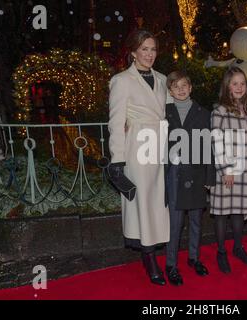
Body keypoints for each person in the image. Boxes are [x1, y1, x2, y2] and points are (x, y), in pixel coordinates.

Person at [108, 29, 169, 285]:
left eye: (153, 49)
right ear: (133, 52)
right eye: (144, 49)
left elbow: (173, 110)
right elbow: (115, 121)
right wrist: (118, 159)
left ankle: (155, 247)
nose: (149, 54)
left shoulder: (164, 79)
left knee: (159, 201)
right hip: (138, 147)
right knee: (143, 201)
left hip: (161, 146)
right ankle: (149, 256)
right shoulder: (121, 80)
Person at [164, 70, 216, 286]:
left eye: (184, 85)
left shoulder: (203, 113)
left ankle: (194, 258)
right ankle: (171, 265)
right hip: (175, 175)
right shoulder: (164, 112)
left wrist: (210, 177)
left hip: (196, 174)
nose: (181, 89)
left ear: (191, 87)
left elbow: (209, 147)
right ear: (170, 91)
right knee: (175, 223)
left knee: (196, 220)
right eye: (176, 86)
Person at [210, 67, 247, 274]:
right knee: (222, 213)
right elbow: (216, 141)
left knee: (239, 212)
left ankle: (238, 248)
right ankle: (221, 252)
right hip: (227, 172)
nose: (239, 87)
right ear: (227, 87)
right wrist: (225, 169)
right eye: (234, 83)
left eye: (242, 83)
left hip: (245, 170)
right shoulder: (219, 110)